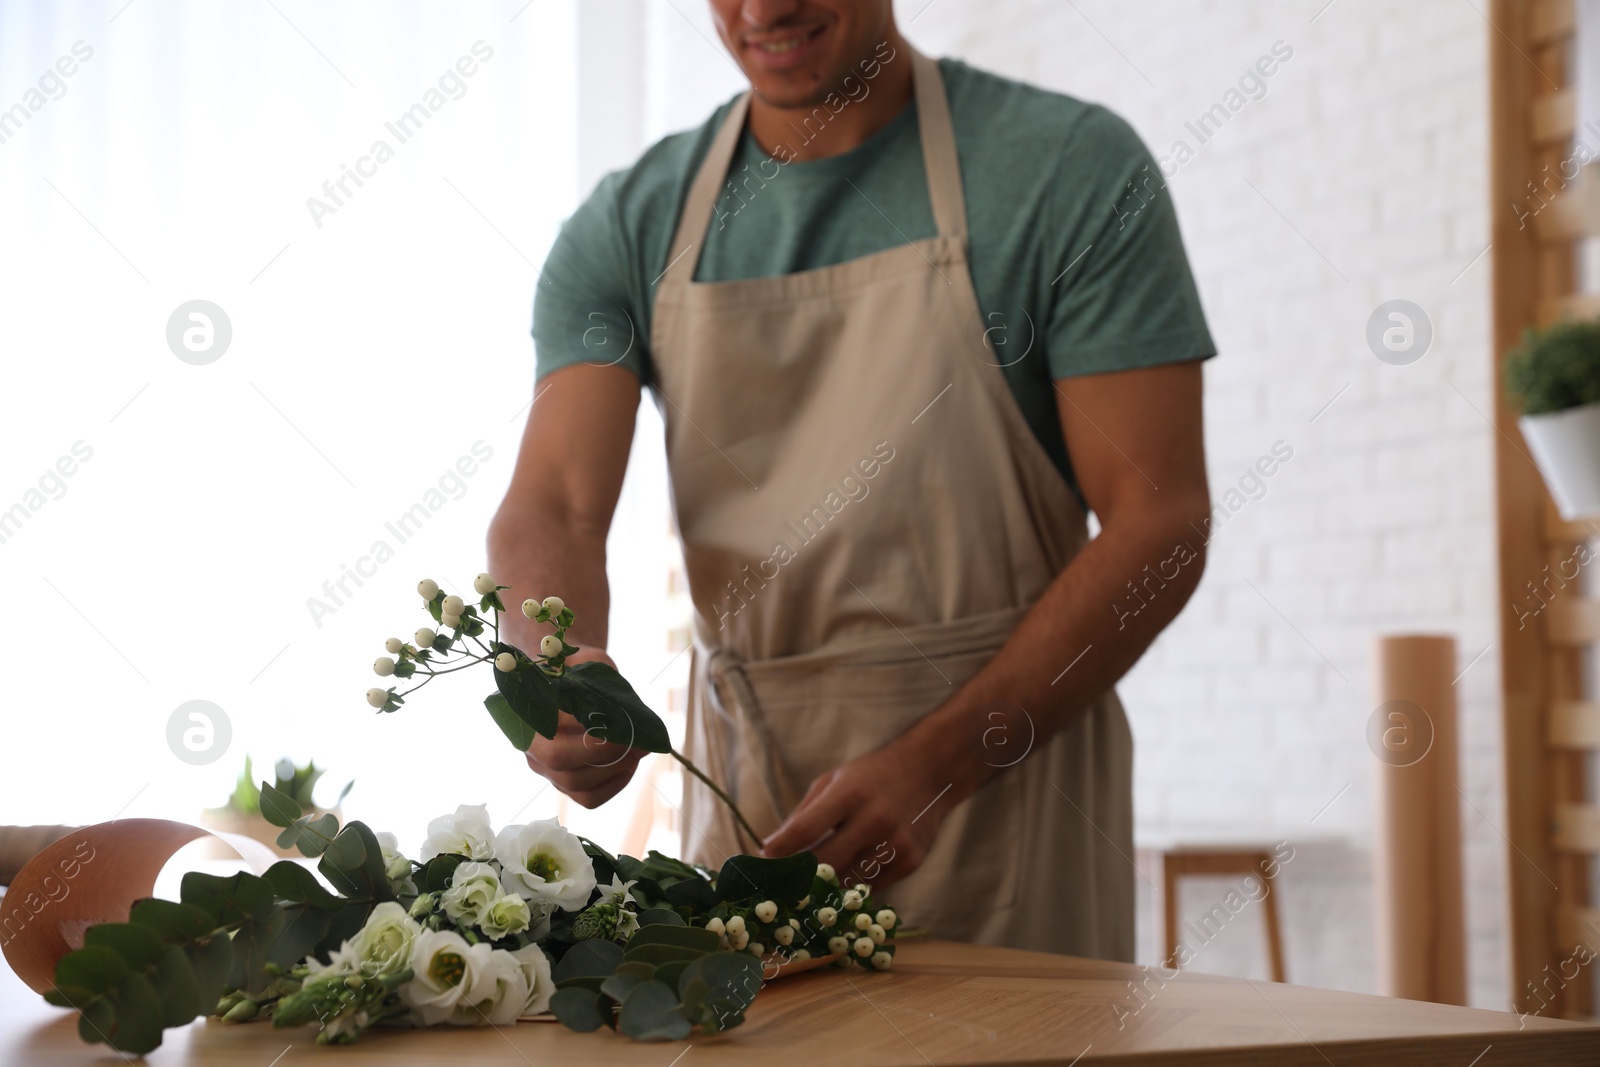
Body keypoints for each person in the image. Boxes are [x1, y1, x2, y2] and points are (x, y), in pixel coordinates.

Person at [488, 0, 1214, 961]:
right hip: (752, 809)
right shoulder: (630, 226)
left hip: (1011, 798)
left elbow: (1158, 525)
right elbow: (556, 505)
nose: (764, 9)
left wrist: (943, 764)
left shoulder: (1067, 169)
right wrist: (557, 665)